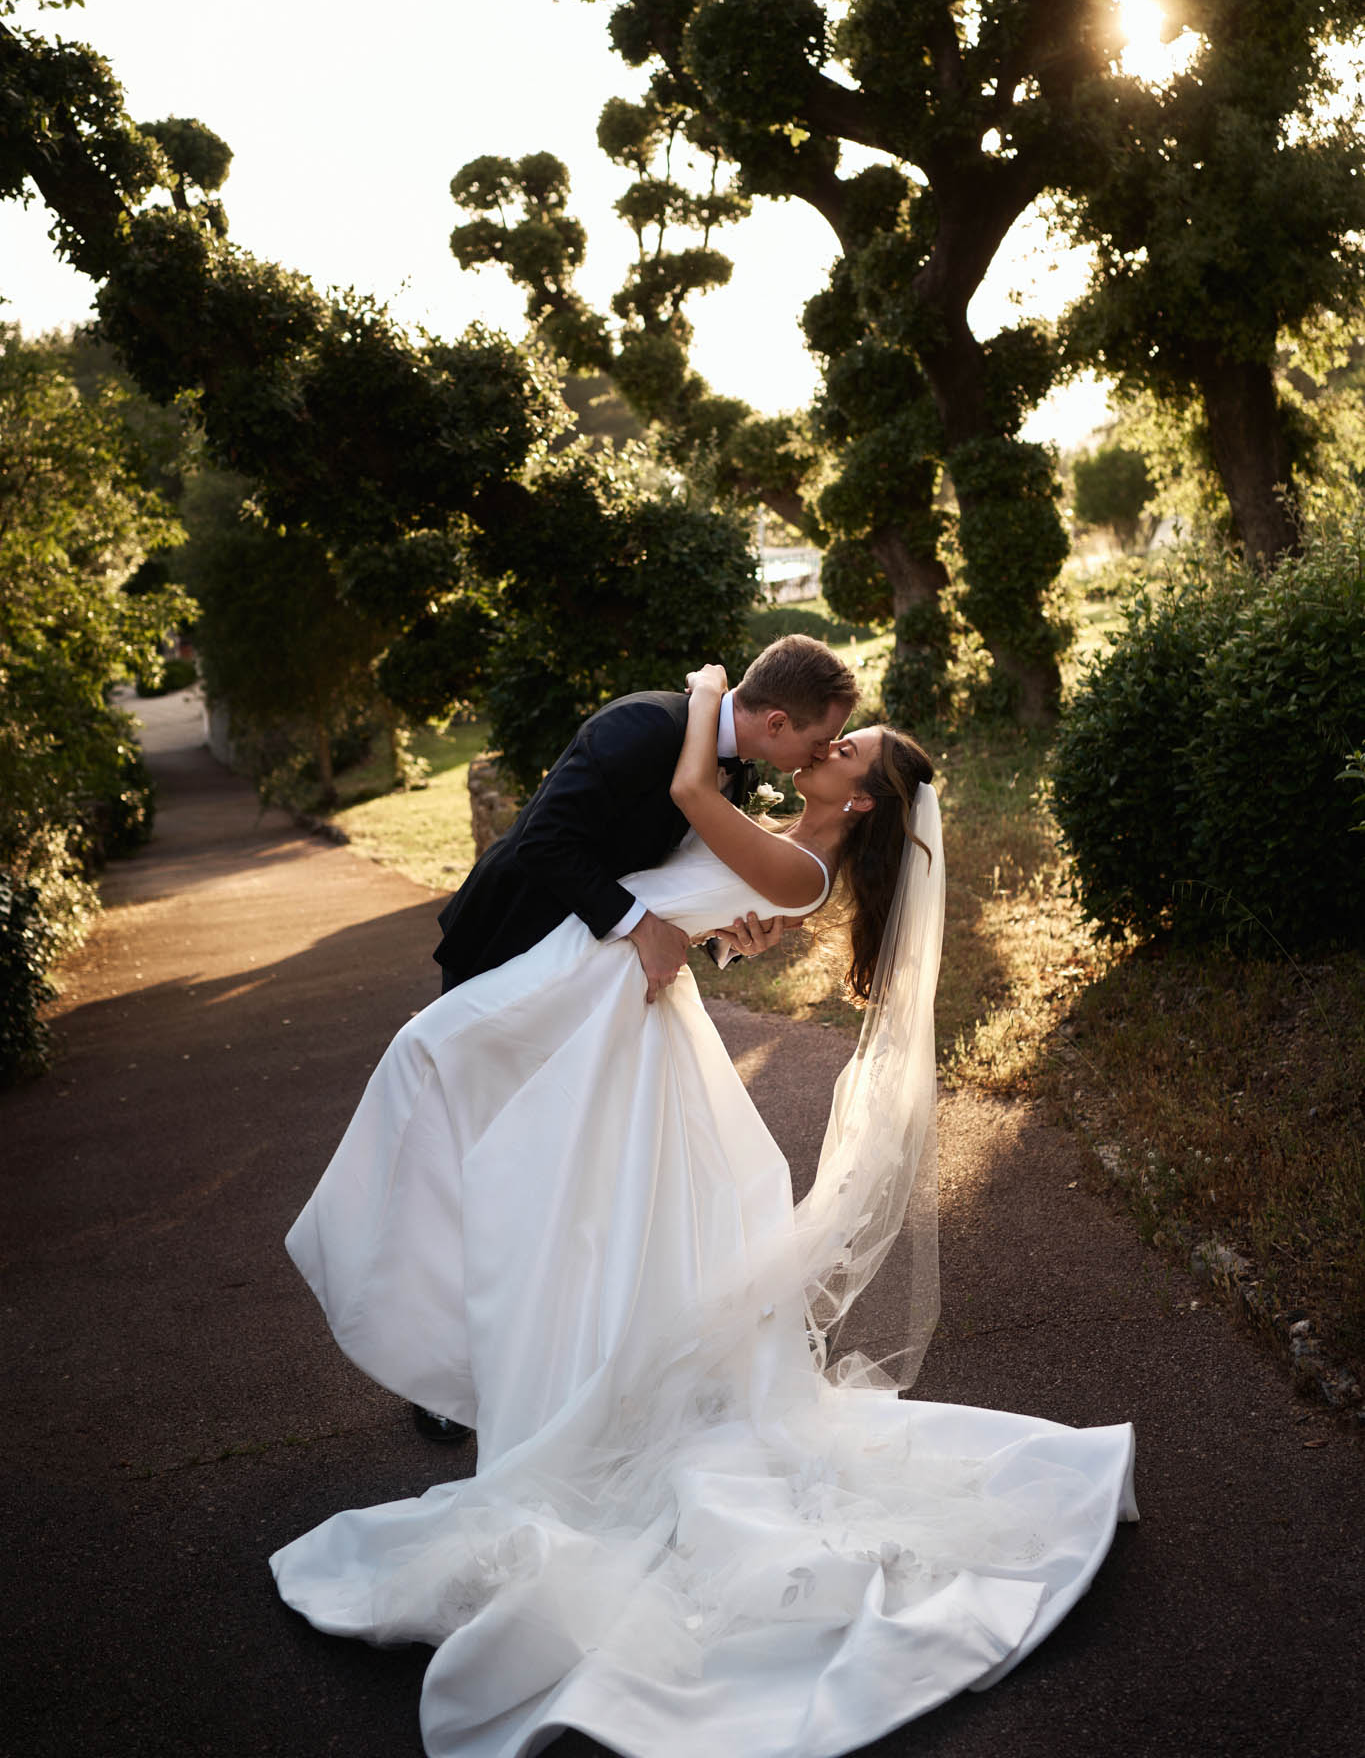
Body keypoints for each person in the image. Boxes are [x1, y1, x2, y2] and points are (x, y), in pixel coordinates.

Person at [272, 666, 1137, 1758]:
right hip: (608, 984)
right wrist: (727, 927)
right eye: (832, 736)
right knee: (554, 1177)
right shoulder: (786, 830)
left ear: (858, 799)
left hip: (615, 996)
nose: (829, 752)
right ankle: (501, 1340)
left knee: (522, 1154)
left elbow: (691, 802)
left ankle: (530, 1354)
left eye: (847, 751)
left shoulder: (773, 824)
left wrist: (705, 689)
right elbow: (695, 877)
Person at [432, 632, 860, 1003]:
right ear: (778, 723)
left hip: (589, 968)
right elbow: (544, 841)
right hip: (512, 937)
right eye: (822, 740)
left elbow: (675, 872)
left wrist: (725, 939)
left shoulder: (742, 775)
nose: (822, 753)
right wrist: (644, 928)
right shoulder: (646, 725)